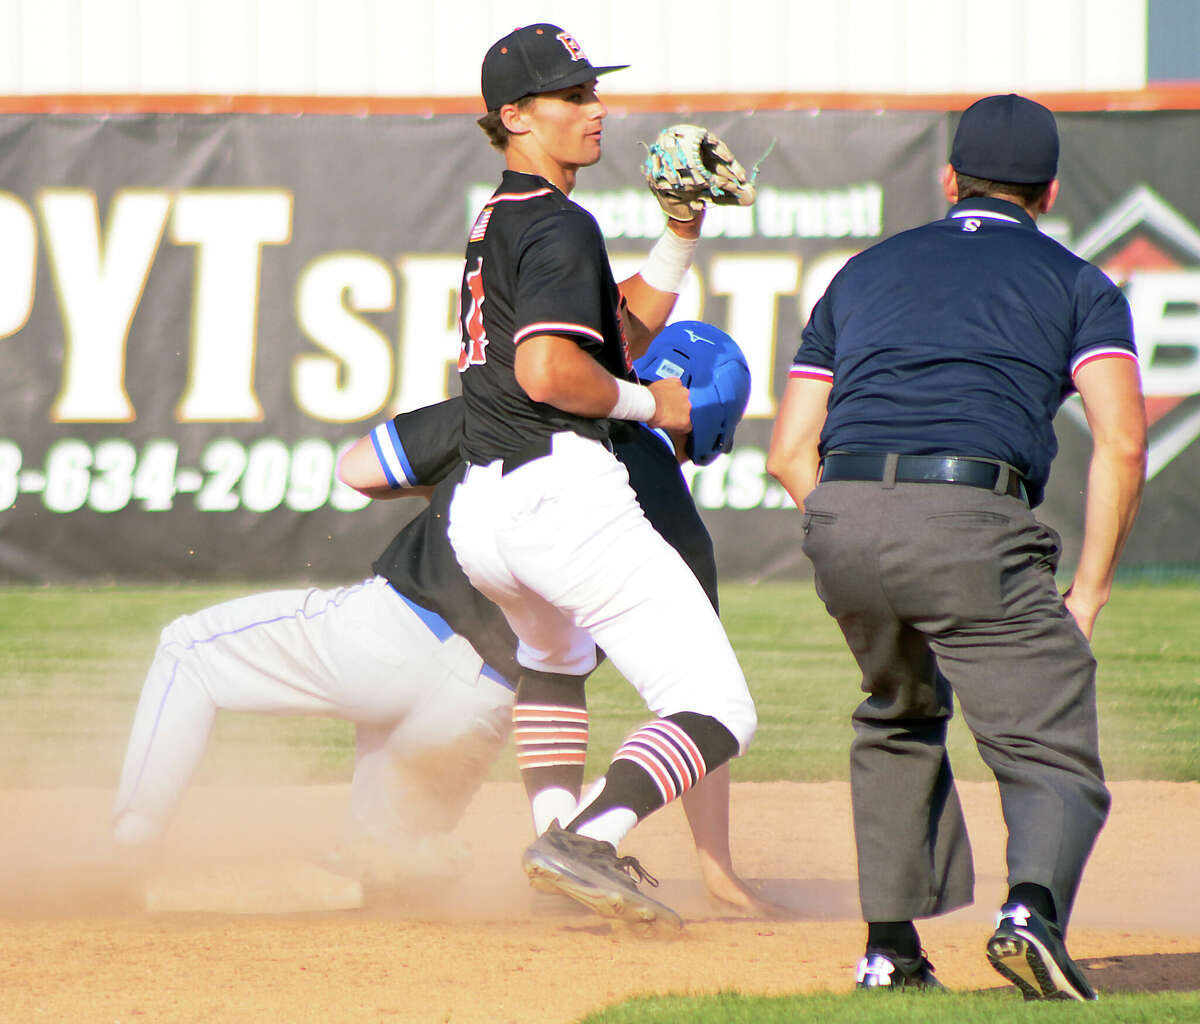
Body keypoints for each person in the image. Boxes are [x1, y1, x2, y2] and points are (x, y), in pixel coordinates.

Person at [111, 322, 770, 916]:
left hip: (386, 633)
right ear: (712, 428)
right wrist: (718, 868)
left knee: (188, 651)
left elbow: (359, 468)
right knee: (377, 869)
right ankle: (408, 858)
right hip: (478, 706)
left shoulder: (523, 414)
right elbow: (696, 714)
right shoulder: (684, 537)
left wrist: (461, 484)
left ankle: (130, 850)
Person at [766, 94, 1147, 998]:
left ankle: (888, 953)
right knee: (1047, 741)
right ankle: (1030, 916)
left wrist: (851, 526)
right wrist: (1086, 592)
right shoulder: (1078, 284)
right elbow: (1123, 443)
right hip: (971, 514)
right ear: (1047, 191)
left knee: (896, 715)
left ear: (949, 180)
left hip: (842, 510)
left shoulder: (862, 271)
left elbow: (787, 451)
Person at [445, 23, 757, 929]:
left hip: (487, 508)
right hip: (560, 493)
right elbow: (554, 372)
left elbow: (607, 339)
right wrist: (652, 406)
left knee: (554, 659)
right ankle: (585, 837)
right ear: (515, 116)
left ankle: (559, 852)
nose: (597, 108)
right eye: (572, 96)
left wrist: (680, 235)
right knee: (716, 706)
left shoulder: (500, 218)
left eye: (592, 91)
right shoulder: (558, 221)